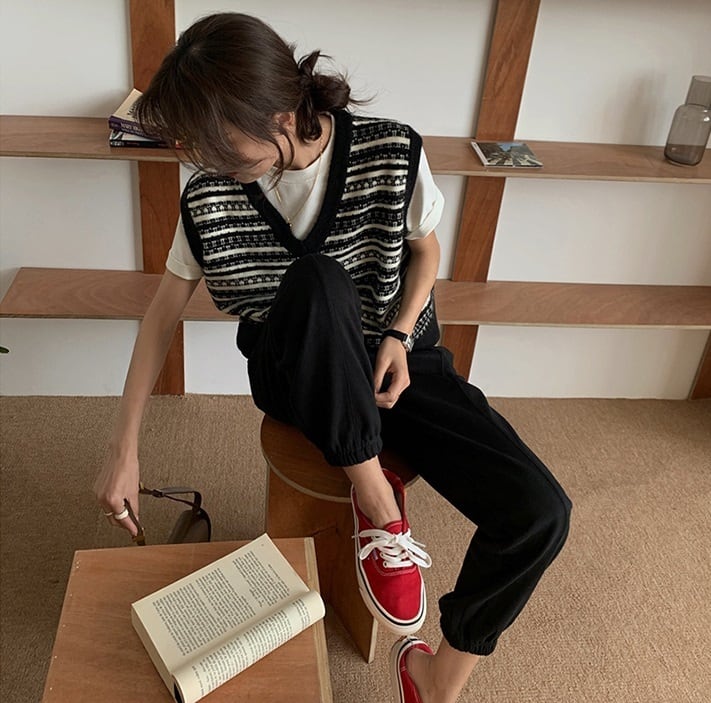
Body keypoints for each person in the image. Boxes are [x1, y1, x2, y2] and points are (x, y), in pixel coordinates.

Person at [93, 12, 572, 703]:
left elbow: (426, 251)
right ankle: (377, 502)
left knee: (539, 511)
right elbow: (162, 313)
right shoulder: (209, 192)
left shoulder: (390, 149)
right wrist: (124, 447)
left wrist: (400, 334)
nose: (206, 161)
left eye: (219, 143)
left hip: (396, 359)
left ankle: (437, 680)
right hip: (296, 372)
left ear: (280, 114)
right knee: (318, 279)